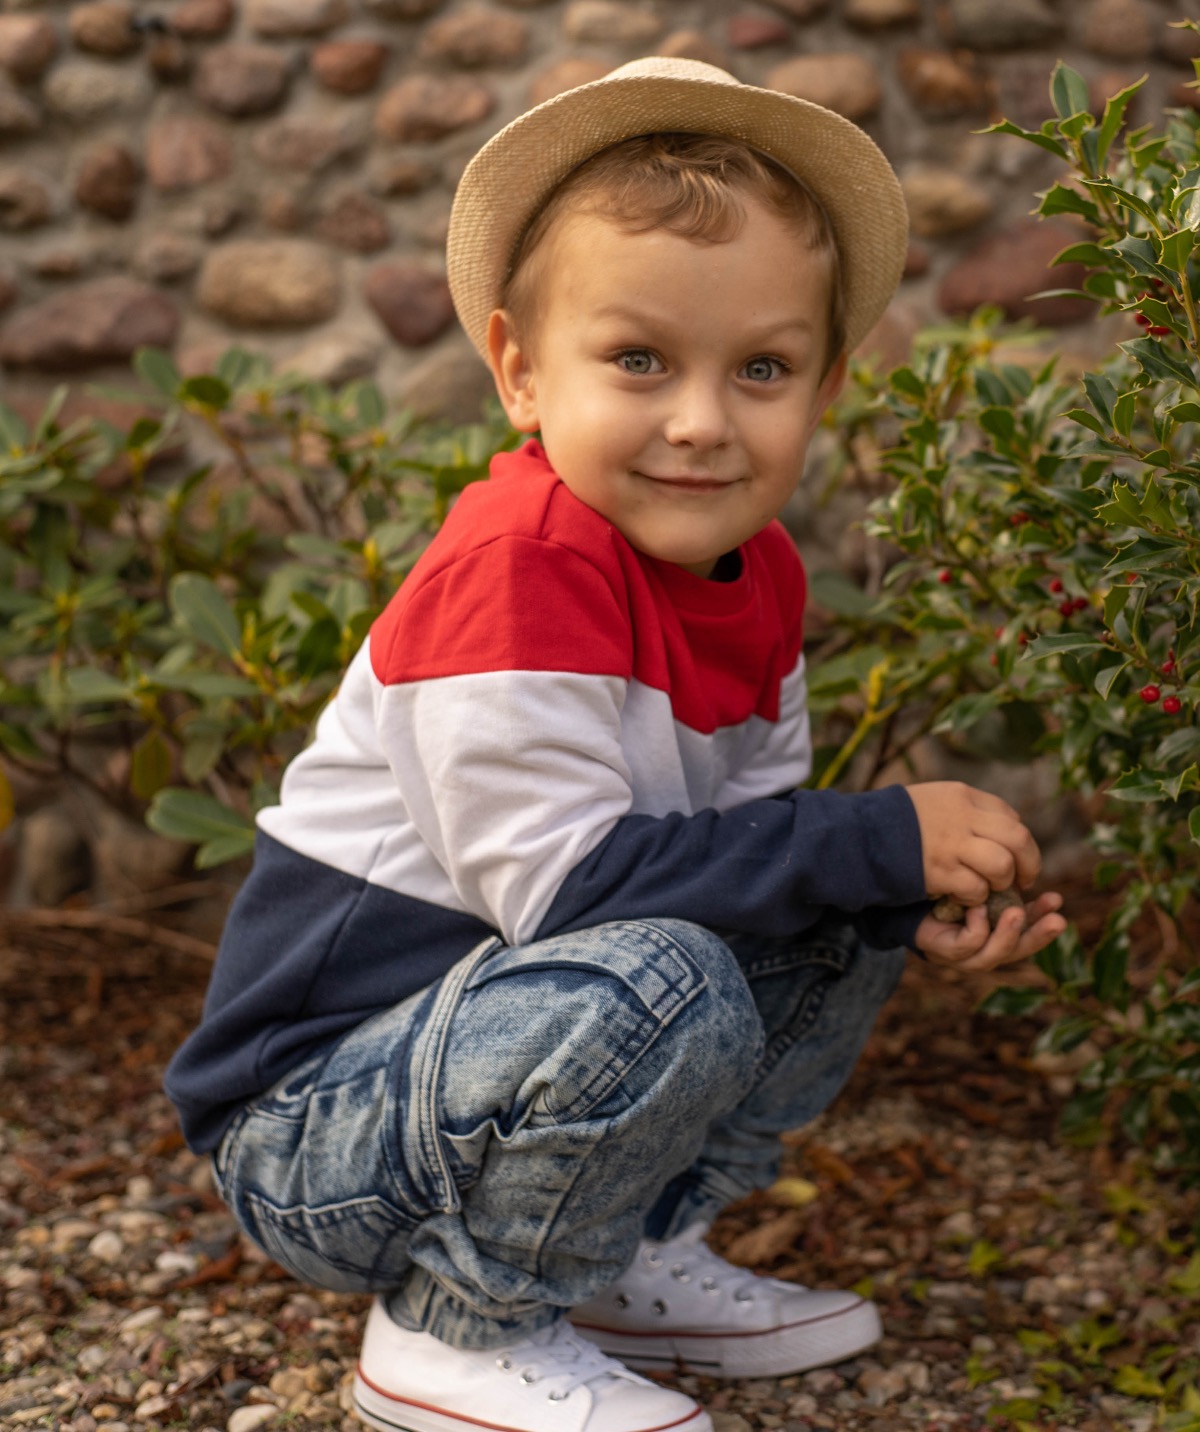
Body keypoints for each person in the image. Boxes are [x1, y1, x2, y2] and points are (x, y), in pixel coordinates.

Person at [161, 57, 1068, 1432]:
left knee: (821, 915)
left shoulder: (756, 578)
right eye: (639, 360)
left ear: (822, 388)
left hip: (492, 1057)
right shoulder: (513, 568)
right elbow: (568, 892)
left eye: (760, 368)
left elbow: (758, 858)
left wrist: (901, 888)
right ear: (521, 371)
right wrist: (878, 835)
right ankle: (456, 1329)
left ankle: (614, 1258)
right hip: (314, 1125)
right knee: (664, 970)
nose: (702, 420)